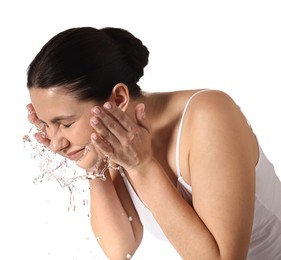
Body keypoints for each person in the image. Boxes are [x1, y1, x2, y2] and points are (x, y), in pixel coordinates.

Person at [26, 26, 281, 260]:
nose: (56, 143)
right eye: (47, 124)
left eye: (66, 124)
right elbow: (120, 248)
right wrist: (93, 167)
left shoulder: (209, 116)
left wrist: (143, 167)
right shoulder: (119, 139)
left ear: (117, 98)